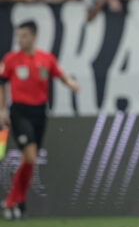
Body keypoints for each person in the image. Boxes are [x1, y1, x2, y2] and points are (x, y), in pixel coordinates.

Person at [0, 21, 79, 220]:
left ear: (34, 37)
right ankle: (10, 201)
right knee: (31, 156)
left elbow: (59, 74)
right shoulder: (11, 59)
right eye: (19, 36)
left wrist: (71, 84)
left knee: (28, 160)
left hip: (39, 113)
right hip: (19, 112)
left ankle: (18, 202)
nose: (20, 40)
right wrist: (2, 109)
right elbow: (1, 83)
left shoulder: (46, 58)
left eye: (24, 36)